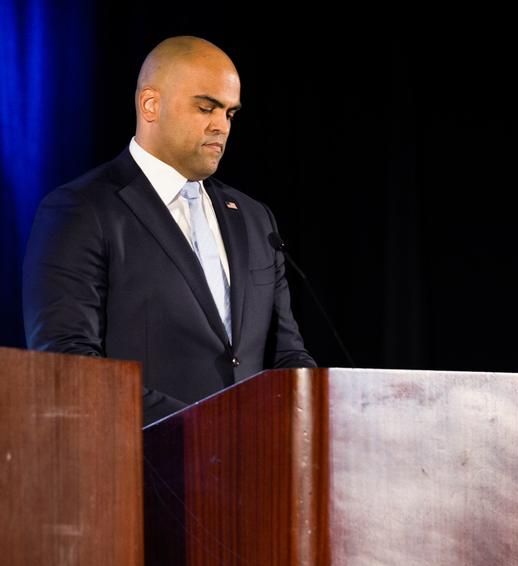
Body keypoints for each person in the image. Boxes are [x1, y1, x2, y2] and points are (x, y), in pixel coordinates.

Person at [23, 36, 315, 425]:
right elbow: (68, 365)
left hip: (256, 467)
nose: (221, 126)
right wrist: (201, 430)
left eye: (230, 113)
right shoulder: (81, 210)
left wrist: (320, 406)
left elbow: (287, 355)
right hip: (143, 470)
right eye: (206, 107)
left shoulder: (255, 219)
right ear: (150, 104)